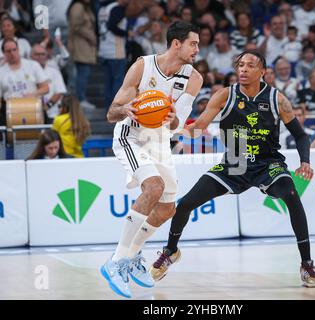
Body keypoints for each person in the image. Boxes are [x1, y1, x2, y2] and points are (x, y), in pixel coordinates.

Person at [149, 50, 315, 288]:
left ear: (262, 72)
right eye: (240, 65)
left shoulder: (277, 99)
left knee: (291, 195)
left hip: (267, 163)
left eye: (250, 65)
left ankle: (307, 264)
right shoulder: (224, 95)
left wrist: (305, 161)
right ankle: (170, 251)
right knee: (185, 204)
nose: (243, 69)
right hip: (235, 161)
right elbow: (199, 128)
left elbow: (301, 136)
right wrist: (172, 128)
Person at [103, 21, 203, 298]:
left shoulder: (194, 79)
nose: (198, 49)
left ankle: (132, 255)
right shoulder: (142, 66)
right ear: (176, 43)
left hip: (159, 142)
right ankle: (116, 263)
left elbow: (177, 125)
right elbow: (111, 113)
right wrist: (126, 109)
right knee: (154, 187)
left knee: (167, 209)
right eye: (193, 43)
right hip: (131, 136)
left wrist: (172, 121)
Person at [0, 39, 49, 124]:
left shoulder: (33, 65)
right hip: (11, 112)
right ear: (4, 53)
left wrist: (34, 94)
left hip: (33, 109)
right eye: (8, 51)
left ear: (18, 50)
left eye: (14, 49)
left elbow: (46, 88)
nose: (12, 53)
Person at [98, 0, 129, 111]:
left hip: (104, 49)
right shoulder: (116, 9)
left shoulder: (103, 8)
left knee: (108, 82)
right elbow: (112, 25)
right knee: (117, 82)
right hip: (116, 52)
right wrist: (127, 33)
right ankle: (114, 109)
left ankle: (108, 108)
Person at [67, 0, 97, 110]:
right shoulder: (78, 6)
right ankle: (80, 99)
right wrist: (90, 36)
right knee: (82, 73)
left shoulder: (85, 7)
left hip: (84, 45)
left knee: (84, 72)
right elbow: (75, 26)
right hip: (80, 44)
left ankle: (81, 98)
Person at [31, 44, 67, 121]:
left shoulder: (54, 71)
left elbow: (59, 93)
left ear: (47, 56)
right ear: (31, 56)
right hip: (31, 114)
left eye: (43, 54)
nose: (40, 57)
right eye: (37, 54)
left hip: (52, 113)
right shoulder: (26, 71)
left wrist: (45, 107)